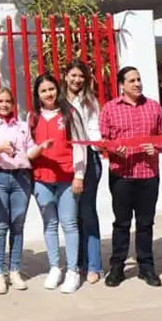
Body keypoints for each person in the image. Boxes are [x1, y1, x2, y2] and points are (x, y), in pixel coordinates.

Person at [100, 66, 162, 288]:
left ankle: (146, 267)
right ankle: (117, 268)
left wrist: (156, 146)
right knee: (121, 223)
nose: (137, 83)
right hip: (121, 174)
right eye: (132, 80)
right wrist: (113, 149)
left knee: (145, 223)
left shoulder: (153, 106)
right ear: (122, 85)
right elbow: (103, 140)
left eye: (139, 79)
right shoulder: (110, 108)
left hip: (148, 174)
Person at [29, 74, 86, 294]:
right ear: (38, 95)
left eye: (51, 89)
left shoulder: (70, 113)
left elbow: (81, 146)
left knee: (69, 224)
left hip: (67, 178)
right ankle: (55, 267)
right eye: (43, 91)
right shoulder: (33, 117)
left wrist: (79, 175)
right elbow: (29, 147)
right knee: (50, 225)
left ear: (58, 89)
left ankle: (73, 270)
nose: (48, 94)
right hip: (42, 179)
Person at [0, 88, 35, 295]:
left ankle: (15, 270)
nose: (4, 104)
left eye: (8, 101)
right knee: (0, 226)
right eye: (0, 101)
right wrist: (0, 149)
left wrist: (42, 147)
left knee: (17, 226)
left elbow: (30, 150)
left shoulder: (22, 126)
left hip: (21, 177)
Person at [62, 61, 103, 284]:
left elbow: (95, 129)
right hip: (64, 160)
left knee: (87, 212)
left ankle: (94, 265)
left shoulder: (90, 101)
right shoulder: (58, 101)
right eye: (74, 75)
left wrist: (99, 144)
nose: (77, 80)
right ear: (66, 76)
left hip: (89, 158)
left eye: (81, 76)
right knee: (70, 215)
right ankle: (75, 263)